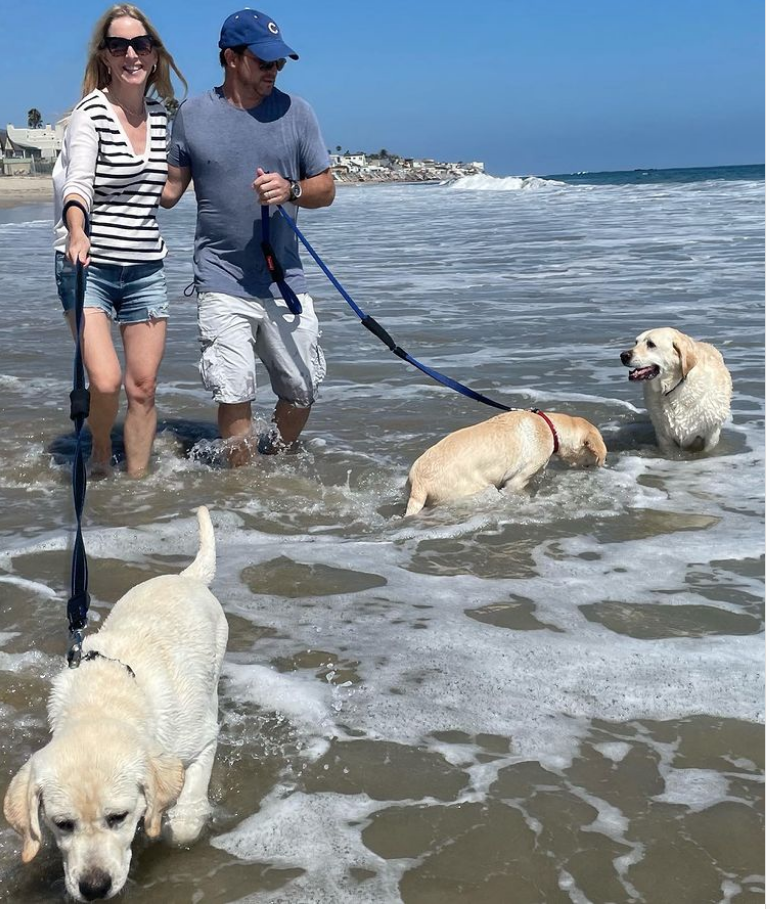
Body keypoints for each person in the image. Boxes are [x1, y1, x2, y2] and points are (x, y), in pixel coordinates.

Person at [162, 8, 335, 465]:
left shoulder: (298, 113)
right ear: (231, 58)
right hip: (220, 277)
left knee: (302, 389)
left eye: (278, 63)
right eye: (263, 61)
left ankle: (273, 463)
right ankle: (243, 489)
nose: (273, 70)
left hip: (283, 278)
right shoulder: (192, 115)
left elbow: (326, 189)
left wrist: (291, 189)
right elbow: (169, 190)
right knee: (234, 391)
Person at [53, 4, 186, 478]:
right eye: (118, 45)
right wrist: (76, 231)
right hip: (88, 264)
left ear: (154, 54)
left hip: (146, 266)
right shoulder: (90, 115)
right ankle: (101, 448)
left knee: (143, 387)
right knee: (106, 382)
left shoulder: (160, 114)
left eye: (140, 44)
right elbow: (78, 183)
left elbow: (166, 192)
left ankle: (137, 489)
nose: (131, 54)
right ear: (105, 56)